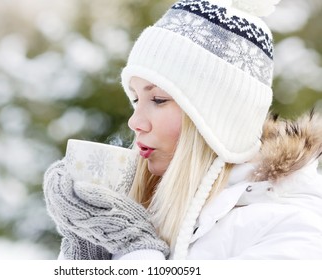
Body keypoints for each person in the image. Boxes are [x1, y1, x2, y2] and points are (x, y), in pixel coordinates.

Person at [43, 0, 322, 259]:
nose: (134, 122)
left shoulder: (294, 227)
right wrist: (91, 247)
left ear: (216, 117)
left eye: (158, 99)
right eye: (136, 99)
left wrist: (135, 249)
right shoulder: (152, 212)